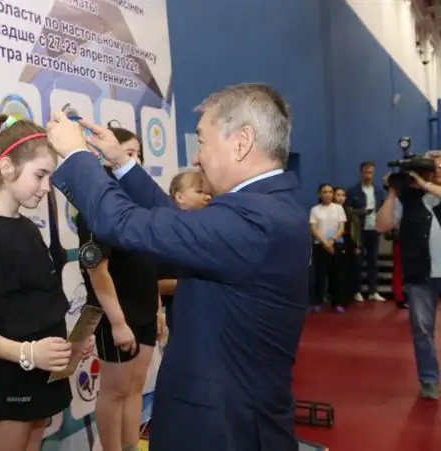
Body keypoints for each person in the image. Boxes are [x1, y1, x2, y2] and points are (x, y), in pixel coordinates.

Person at [46, 83, 308, 451]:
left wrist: (77, 156)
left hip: (222, 430)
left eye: (201, 141)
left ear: (242, 141)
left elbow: (123, 223)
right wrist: (121, 163)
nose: (197, 158)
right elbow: (174, 220)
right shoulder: (267, 207)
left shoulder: (254, 219)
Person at [0, 114, 87, 451]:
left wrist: (64, 347)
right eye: (40, 175)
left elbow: (35, 306)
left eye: (50, 178)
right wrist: (29, 353)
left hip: (42, 375)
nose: (46, 188)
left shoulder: (27, 228)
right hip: (10, 382)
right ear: (7, 167)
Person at [75, 127, 165, 451]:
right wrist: (117, 322)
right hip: (115, 314)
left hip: (144, 311)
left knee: (135, 386)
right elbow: (97, 270)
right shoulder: (96, 206)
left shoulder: (141, 204)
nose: (135, 160)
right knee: (115, 391)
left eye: (138, 154)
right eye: (128, 153)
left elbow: (149, 261)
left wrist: (157, 308)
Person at [375, 152, 441, 399]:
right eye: (434, 167)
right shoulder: (406, 200)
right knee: (422, 330)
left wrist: (424, 185)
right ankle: (429, 379)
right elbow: (381, 226)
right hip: (420, 274)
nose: (438, 170)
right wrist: (392, 193)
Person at [158, 171, 211, 329]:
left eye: (208, 192)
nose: (207, 197)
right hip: (183, 319)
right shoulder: (165, 235)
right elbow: (155, 284)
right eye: (200, 192)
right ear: (180, 197)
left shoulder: (210, 230)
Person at [346, 161, 386, 302]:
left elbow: (383, 208)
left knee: (373, 261)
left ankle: (373, 291)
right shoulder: (352, 191)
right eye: (366, 172)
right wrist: (360, 212)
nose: (368, 175)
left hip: (374, 230)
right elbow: (346, 210)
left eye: (371, 172)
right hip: (359, 231)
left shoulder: (379, 191)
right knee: (358, 261)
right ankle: (356, 291)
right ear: (361, 173)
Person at [309, 183, 348, 313]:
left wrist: (332, 241)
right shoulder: (315, 210)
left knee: (337, 275)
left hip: (336, 244)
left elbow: (341, 227)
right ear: (320, 194)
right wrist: (325, 243)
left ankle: (337, 303)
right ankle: (317, 301)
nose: (328, 194)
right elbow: (313, 228)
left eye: (330, 192)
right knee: (320, 275)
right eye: (324, 192)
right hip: (320, 245)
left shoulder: (338, 208)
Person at [333, 186, 363, 304]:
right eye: (338, 195)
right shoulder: (330, 210)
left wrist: (357, 245)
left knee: (351, 268)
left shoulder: (350, 211)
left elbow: (356, 228)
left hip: (349, 242)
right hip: (334, 241)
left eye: (343, 195)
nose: (341, 198)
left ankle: (351, 293)